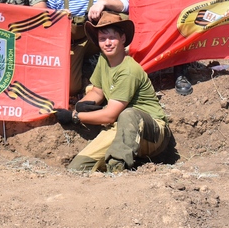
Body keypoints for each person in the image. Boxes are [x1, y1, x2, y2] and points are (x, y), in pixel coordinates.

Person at [55, 12, 172, 173]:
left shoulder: (128, 70)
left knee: (128, 114)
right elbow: (97, 91)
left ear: (123, 38)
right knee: (77, 168)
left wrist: (74, 117)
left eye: (112, 38)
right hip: (119, 127)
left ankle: (117, 167)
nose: (107, 43)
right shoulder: (104, 59)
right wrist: (81, 106)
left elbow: (110, 115)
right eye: (102, 39)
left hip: (152, 133)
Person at [43, 0, 129, 96]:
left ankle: (114, 71)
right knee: (71, 89)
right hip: (67, 43)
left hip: (94, 39)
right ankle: (82, 75)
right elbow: (44, 19)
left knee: (120, 18)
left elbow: (126, 3)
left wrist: (103, 2)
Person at [108, 0, 192, 96]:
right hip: (144, 30)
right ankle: (132, 73)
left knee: (186, 23)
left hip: (171, 31)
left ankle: (180, 72)